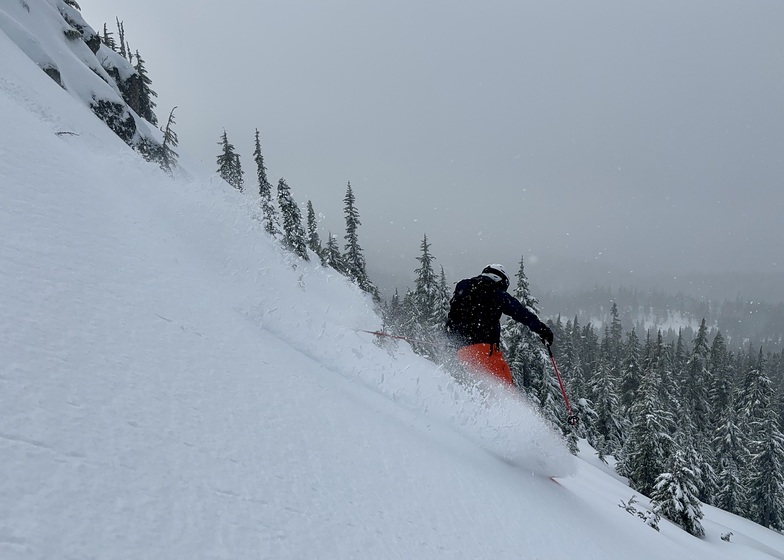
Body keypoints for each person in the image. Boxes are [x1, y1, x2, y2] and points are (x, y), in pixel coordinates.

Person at [445, 264, 553, 386]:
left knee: (475, 387)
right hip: (484, 349)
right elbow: (521, 313)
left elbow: (453, 316)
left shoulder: (465, 288)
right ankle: (508, 405)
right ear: (499, 279)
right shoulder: (495, 293)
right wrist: (542, 330)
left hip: (459, 350)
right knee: (505, 387)